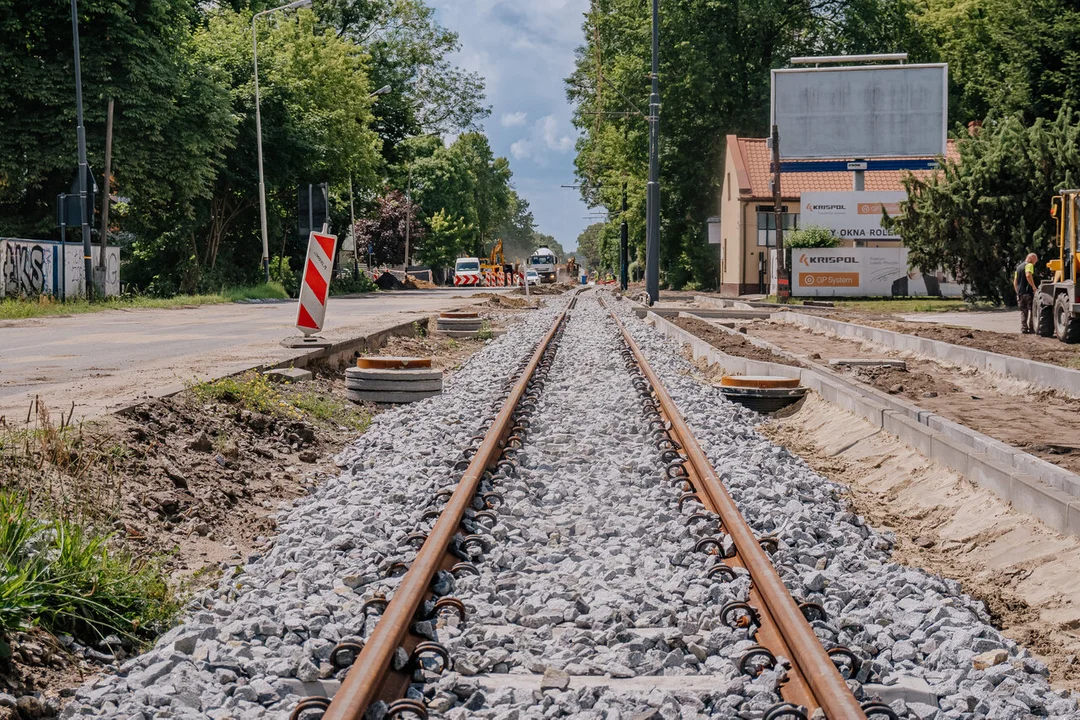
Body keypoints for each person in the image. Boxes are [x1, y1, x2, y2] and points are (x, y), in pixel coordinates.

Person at [1014, 252, 1038, 334]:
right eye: (1035, 260)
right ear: (1031, 259)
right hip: (1028, 292)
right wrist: (1034, 286)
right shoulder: (1029, 265)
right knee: (1032, 310)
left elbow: (1015, 282)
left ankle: (1024, 328)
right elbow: (1028, 275)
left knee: (1023, 311)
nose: (1035, 262)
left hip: (1021, 293)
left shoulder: (1018, 267)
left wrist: (1017, 292)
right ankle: (1032, 328)